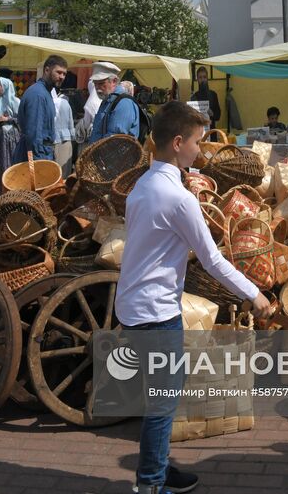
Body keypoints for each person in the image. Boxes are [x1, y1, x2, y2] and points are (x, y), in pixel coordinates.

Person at [115, 101, 270, 494]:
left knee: (163, 392)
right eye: (198, 143)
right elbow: (214, 260)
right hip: (154, 310)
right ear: (178, 142)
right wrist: (256, 295)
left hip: (135, 304)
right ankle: (150, 483)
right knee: (163, 402)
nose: (201, 151)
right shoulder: (178, 197)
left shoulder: (144, 186)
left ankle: (160, 468)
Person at [13, 55, 68, 163]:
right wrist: (40, 163)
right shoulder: (38, 95)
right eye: (58, 72)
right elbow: (34, 134)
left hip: (43, 153)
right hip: (37, 156)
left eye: (64, 74)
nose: (62, 77)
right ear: (47, 70)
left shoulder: (45, 93)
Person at [0, 76, 21, 194]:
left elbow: (21, 118)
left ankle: (10, 192)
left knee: (8, 163)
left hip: (9, 138)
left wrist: (8, 118)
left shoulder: (15, 101)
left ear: (6, 87)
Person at [52, 90, 76, 178]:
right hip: (66, 139)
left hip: (54, 140)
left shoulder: (49, 104)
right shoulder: (65, 102)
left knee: (56, 173)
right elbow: (71, 122)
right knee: (65, 172)